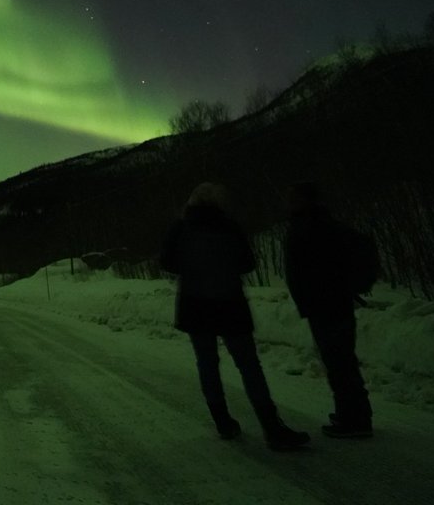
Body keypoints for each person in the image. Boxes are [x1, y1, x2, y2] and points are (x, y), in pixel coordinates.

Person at [160, 183, 309, 450]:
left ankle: (223, 422)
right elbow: (247, 263)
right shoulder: (230, 226)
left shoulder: (180, 228)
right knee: (249, 365)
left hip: (195, 305)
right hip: (230, 303)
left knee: (207, 363)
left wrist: (193, 268)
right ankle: (272, 427)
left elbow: (167, 262)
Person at [284, 181, 374, 438]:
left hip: (322, 304)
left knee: (337, 361)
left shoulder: (305, 227)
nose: (288, 202)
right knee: (344, 358)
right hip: (337, 301)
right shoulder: (328, 224)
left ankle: (352, 419)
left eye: (292, 198)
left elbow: (299, 270)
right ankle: (357, 413)